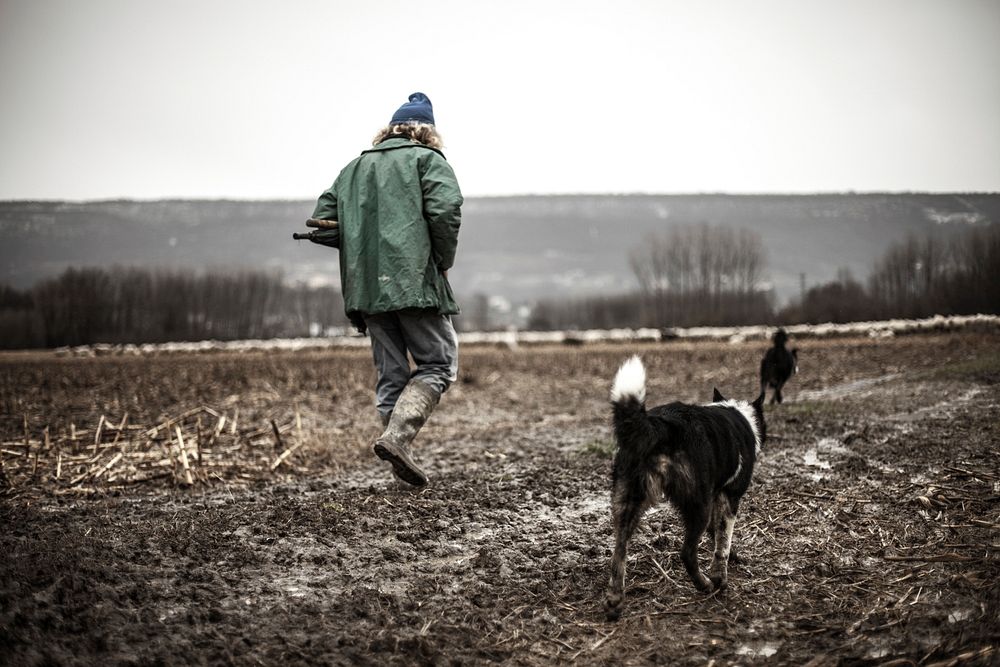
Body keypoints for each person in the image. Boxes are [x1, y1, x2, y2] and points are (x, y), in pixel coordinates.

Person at [311, 92, 463, 487]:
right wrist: (443, 262)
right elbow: (446, 212)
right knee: (438, 364)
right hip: (413, 282)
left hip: (366, 290)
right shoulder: (428, 161)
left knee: (391, 374)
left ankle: (399, 463)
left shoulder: (353, 169)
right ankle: (397, 439)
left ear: (389, 130)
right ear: (426, 132)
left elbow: (322, 223)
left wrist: (362, 243)